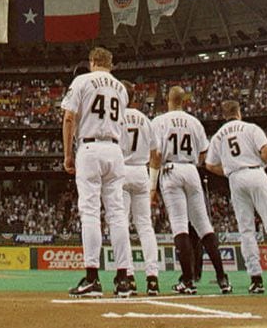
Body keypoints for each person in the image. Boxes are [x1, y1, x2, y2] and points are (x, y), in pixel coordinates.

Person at [61, 47, 135, 299]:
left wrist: (67, 154)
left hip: (90, 147)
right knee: (117, 214)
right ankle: (123, 279)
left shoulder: (82, 80)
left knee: (90, 212)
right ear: (111, 65)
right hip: (115, 151)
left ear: (92, 61)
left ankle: (92, 277)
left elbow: (69, 118)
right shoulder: (121, 88)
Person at [204, 99, 267, 293]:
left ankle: (255, 279)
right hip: (255, 173)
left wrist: (228, 170)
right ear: (239, 113)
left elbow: (210, 165)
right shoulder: (251, 128)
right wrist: (261, 163)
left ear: (224, 115)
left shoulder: (219, 135)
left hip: (235, 178)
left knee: (246, 230)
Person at [150, 86, 229, 296]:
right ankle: (223, 278)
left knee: (179, 226)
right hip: (192, 169)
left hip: (170, 169)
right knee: (204, 225)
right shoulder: (194, 122)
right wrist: (194, 164)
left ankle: (187, 280)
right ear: (184, 101)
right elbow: (204, 152)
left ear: (168, 100)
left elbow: (156, 155)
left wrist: (152, 185)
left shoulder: (159, 121)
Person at [118, 103, 160, 296]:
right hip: (141, 172)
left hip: (122, 170)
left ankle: (129, 276)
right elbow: (156, 153)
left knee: (121, 224)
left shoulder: (116, 116)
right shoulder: (145, 119)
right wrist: (153, 184)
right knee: (145, 226)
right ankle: (152, 278)